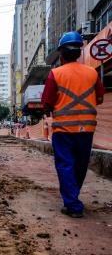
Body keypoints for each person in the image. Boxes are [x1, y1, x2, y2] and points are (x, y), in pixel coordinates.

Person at [41, 31, 105, 218]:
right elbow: (99, 99)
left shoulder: (55, 74)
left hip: (63, 130)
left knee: (65, 164)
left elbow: (47, 103)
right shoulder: (92, 73)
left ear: (61, 54)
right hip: (86, 129)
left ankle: (73, 205)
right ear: (79, 52)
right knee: (80, 165)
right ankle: (73, 198)